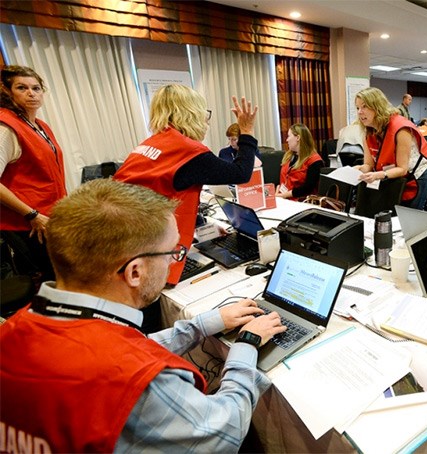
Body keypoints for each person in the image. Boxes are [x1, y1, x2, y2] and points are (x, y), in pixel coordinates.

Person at [0, 179, 286, 452]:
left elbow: (119, 348)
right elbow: (225, 430)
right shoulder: (142, 383)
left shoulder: (17, 327)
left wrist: (203, 324)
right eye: (172, 252)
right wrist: (246, 344)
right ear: (135, 272)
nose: (176, 259)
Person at [114, 84, 258, 286]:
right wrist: (247, 130)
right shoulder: (188, 151)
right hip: (146, 254)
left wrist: (202, 225)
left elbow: (164, 191)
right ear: (192, 113)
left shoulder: (150, 145)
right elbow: (241, 173)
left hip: (122, 243)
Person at [0, 65, 67, 282]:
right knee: (50, 282)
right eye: (22, 88)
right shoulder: (6, 128)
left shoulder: (40, 126)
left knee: (62, 277)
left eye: (36, 88)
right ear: (8, 92)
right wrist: (32, 215)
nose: (31, 93)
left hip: (49, 218)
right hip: (27, 224)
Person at [355, 87, 427, 210]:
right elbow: (369, 165)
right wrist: (359, 169)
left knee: (411, 214)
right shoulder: (368, 131)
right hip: (392, 172)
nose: (360, 112)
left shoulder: (400, 128)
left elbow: (402, 169)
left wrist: (379, 175)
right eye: (358, 108)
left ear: (377, 106)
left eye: (365, 106)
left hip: (419, 172)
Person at [277, 123, 323, 200]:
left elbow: (308, 188)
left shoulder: (314, 161)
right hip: (284, 199)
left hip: (301, 202)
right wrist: (277, 192)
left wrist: (284, 195)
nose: (286, 140)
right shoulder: (288, 156)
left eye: (289, 136)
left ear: (298, 137)